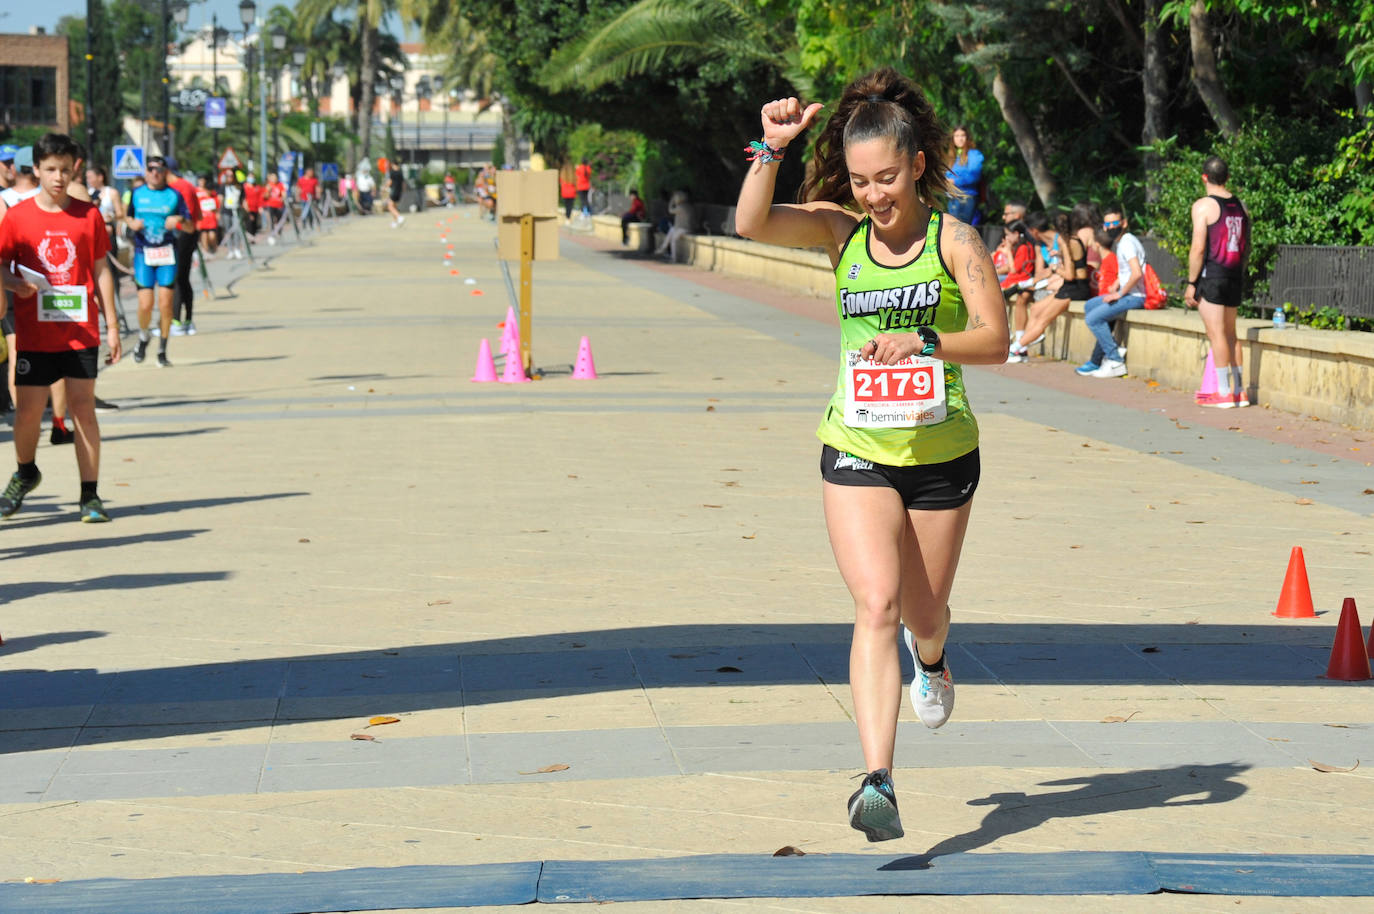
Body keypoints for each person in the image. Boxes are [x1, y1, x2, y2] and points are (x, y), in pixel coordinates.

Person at [733, 69, 1008, 842]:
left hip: (942, 452)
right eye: (859, 182)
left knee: (922, 612)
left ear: (917, 164)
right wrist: (770, 147)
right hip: (855, 444)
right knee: (875, 604)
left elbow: (997, 339)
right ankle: (878, 779)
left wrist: (924, 340)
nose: (873, 196)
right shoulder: (838, 232)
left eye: (886, 178)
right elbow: (750, 222)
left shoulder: (955, 240)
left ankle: (936, 654)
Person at [0, 133, 122, 522]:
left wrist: (113, 326)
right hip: (35, 334)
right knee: (27, 415)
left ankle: (90, 495)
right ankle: (25, 472)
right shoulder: (17, 218)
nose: (58, 177)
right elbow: (0, 265)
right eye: (50, 169)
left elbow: (101, 271)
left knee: (83, 409)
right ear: (35, 170)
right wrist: (14, 283)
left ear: (75, 170)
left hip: (80, 331)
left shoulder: (88, 216)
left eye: (65, 170)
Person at [1185, 155, 1251, 408]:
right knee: (1232, 334)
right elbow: (1247, 245)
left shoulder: (1203, 206)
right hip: (1234, 274)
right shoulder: (1241, 206)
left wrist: (1192, 282)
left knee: (1217, 335)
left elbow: (1198, 248)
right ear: (1228, 178)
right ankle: (1240, 391)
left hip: (1212, 275)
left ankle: (1223, 392)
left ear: (1204, 177)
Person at [1006, 203, 1098, 363]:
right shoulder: (1068, 241)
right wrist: (1059, 259)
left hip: (1075, 289)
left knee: (1043, 320)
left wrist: (1055, 267)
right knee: (1035, 309)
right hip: (1068, 287)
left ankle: (1015, 349)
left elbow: (1069, 275)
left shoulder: (1067, 242)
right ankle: (1022, 350)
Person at [124, 155, 186, 368]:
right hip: (144, 253)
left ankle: (162, 349)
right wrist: (132, 224)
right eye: (151, 169)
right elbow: (127, 218)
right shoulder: (136, 194)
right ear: (146, 171)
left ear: (165, 172)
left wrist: (178, 220)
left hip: (167, 254)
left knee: (166, 303)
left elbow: (191, 226)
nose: (154, 173)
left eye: (159, 169)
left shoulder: (174, 196)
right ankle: (143, 336)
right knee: (145, 304)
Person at [1076, 206, 1146, 378]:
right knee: (1091, 306)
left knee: (1093, 319)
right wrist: (1116, 284)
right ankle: (1102, 356)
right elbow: (1129, 272)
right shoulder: (1123, 242)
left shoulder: (1127, 242)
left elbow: (1137, 273)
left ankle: (1115, 360)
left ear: (1124, 223)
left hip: (1134, 297)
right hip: (1127, 293)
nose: (1111, 227)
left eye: (1115, 223)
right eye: (1107, 224)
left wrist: (1119, 294)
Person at [944, 125, 983, 224]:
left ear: (967, 138)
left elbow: (974, 175)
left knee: (962, 231)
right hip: (952, 198)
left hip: (966, 198)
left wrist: (954, 181)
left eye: (962, 136)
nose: (960, 139)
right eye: (956, 136)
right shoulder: (953, 156)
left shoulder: (974, 154)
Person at [654, 190, 694, 262]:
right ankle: (663, 248)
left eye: (675, 197)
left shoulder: (681, 207)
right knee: (672, 230)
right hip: (682, 228)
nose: (674, 199)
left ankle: (673, 258)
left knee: (673, 239)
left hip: (685, 229)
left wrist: (671, 202)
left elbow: (670, 210)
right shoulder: (685, 206)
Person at [194, 174, 220, 257]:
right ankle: (206, 252)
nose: (201, 182)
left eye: (203, 180)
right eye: (200, 180)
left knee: (212, 236)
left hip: (211, 217)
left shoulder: (211, 192)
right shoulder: (196, 191)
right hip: (202, 218)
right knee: (204, 235)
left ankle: (214, 248)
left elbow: (217, 203)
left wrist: (217, 213)